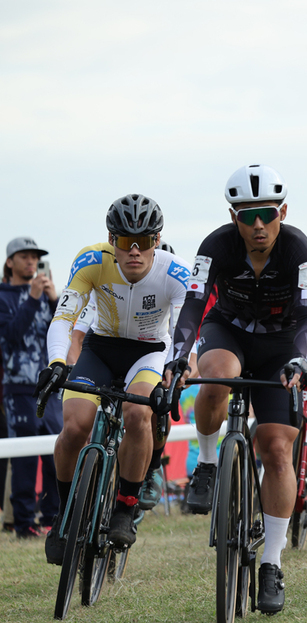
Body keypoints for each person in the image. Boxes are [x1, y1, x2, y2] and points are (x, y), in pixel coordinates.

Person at [165, 164, 307, 614]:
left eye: (266, 215)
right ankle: (208, 464)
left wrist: (301, 358)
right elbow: (194, 304)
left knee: (275, 449)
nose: (257, 225)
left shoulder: (298, 249)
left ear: (282, 212)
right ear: (233, 216)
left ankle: (271, 562)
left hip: (280, 345)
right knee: (215, 376)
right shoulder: (214, 245)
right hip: (228, 330)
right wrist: (178, 355)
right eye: (247, 215)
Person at [40, 195, 190, 563]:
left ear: (158, 240)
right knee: (75, 428)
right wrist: (57, 362)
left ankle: (125, 506)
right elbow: (64, 317)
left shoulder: (176, 272)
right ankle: (65, 513)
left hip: (149, 350)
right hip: (101, 348)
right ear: (111, 240)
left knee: (137, 414)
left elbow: (190, 329)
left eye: (144, 241)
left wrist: (180, 368)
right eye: (125, 242)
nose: (134, 251)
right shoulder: (91, 259)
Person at [0, 237, 62, 538]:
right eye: (24, 257)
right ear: (10, 261)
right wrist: (35, 298)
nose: (31, 262)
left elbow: (62, 334)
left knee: (56, 455)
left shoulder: (45, 294)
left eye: (35, 258)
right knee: (24, 460)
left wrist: (53, 301)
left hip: (51, 388)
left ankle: (52, 517)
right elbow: (12, 336)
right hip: (18, 390)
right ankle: (23, 525)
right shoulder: (3, 296)